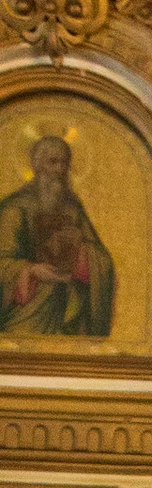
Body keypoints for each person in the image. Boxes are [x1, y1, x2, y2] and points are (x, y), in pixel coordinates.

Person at [0, 134, 115, 342]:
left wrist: (83, 258)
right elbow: (3, 260)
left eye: (64, 163)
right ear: (37, 164)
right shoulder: (15, 208)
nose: (59, 170)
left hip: (68, 305)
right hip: (27, 310)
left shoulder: (72, 207)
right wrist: (32, 270)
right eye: (53, 162)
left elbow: (100, 256)